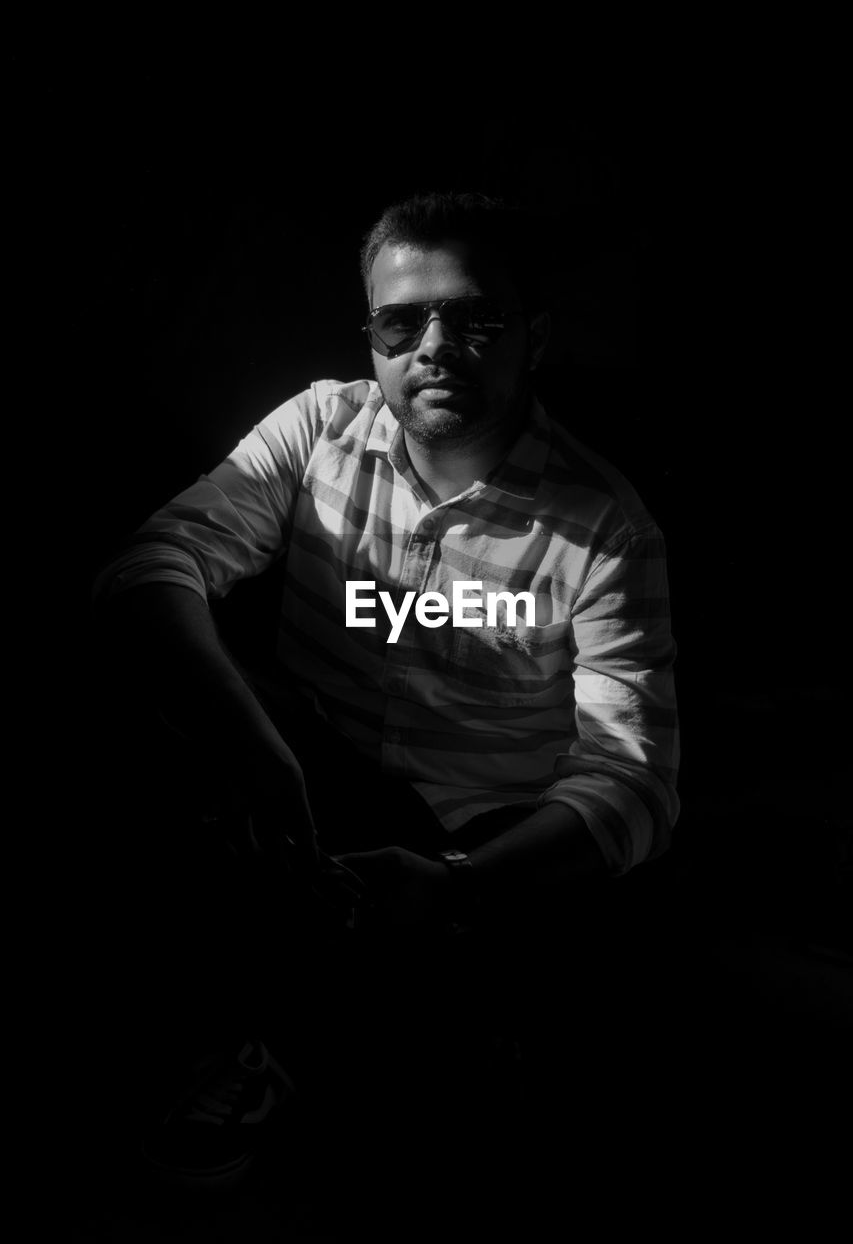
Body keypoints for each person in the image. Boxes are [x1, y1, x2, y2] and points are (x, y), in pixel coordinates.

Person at [92, 191, 679, 1216]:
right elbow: (150, 567)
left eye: (477, 317)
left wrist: (460, 886)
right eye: (402, 322)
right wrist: (252, 748)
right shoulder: (320, 426)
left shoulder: (605, 526)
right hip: (316, 782)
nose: (436, 347)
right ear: (372, 338)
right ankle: (264, 1043)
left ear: (532, 339)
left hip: (489, 827)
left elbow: (633, 777)